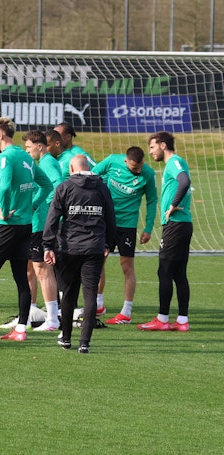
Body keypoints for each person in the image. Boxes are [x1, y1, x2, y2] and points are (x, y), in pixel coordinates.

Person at [0, 117, 52, 342]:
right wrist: (31, 206)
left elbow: (4, 187)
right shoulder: (26, 156)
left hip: (7, 226)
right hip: (25, 226)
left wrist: (3, 211)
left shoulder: (6, 157)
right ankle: (21, 329)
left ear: (1, 134)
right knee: (20, 277)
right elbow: (46, 185)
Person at [43, 155, 116, 353]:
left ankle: (66, 338)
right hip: (94, 248)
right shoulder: (102, 188)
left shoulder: (65, 187)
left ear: (71, 168)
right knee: (90, 294)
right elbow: (111, 217)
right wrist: (109, 243)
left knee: (68, 294)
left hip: (69, 248)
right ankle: (84, 342)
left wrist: (47, 245)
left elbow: (52, 218)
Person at [92, 147, 158, 325]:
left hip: (127, 226)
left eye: (141, 166)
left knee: (127, 266)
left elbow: (152, 201)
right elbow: (92, 175)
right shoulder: (112, 160)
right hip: (106, 221)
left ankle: (126, 312)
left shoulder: (148, 174)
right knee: (98, 261)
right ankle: (98, 304)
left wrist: (148, 228)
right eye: (135, 168)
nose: (138, 171)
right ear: (125, 161)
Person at [138, 132, 192, 332]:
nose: (151, 152)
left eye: (152, 147)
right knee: (179, 273)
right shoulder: (174, 163)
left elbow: (184, 181)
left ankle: (162, 319)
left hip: (175, 225)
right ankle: (182, 321)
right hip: (183, 225)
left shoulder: (174, 162)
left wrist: (172, 205)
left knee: (165, 271)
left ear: (163, 145)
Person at [20, 130, 62, 332]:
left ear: (39, 146)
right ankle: (29, 313)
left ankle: (53, 318)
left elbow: (57, 186)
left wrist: (42, 206)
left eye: (29, 148)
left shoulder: (47, 163)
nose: (27, 152)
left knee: (42, 269)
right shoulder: (40, 163)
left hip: (40, 223)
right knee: (30, 268)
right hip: (34, 222)